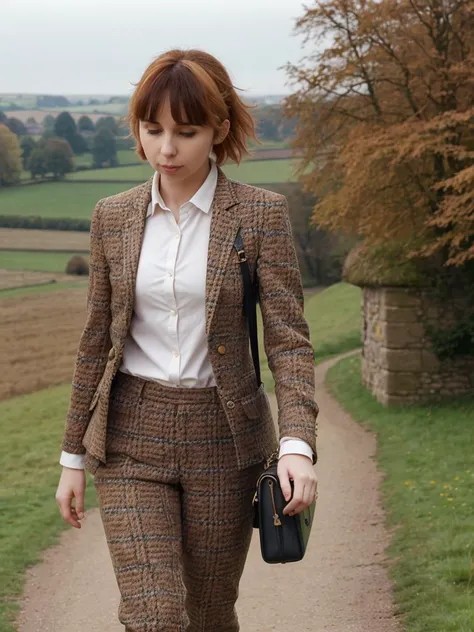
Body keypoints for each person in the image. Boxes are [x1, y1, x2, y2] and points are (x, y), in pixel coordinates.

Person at [55, 48, 319, 632]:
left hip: (226, 440)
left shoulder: (260, 215)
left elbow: (290, 342)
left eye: (186, 131)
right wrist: (73, 456)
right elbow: (96, 342)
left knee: (207, 613)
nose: (166, 149)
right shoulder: (112, 217)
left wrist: (297, 444)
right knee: (155, 615)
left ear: (220, 130)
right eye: (153, 131)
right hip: (129, 437)